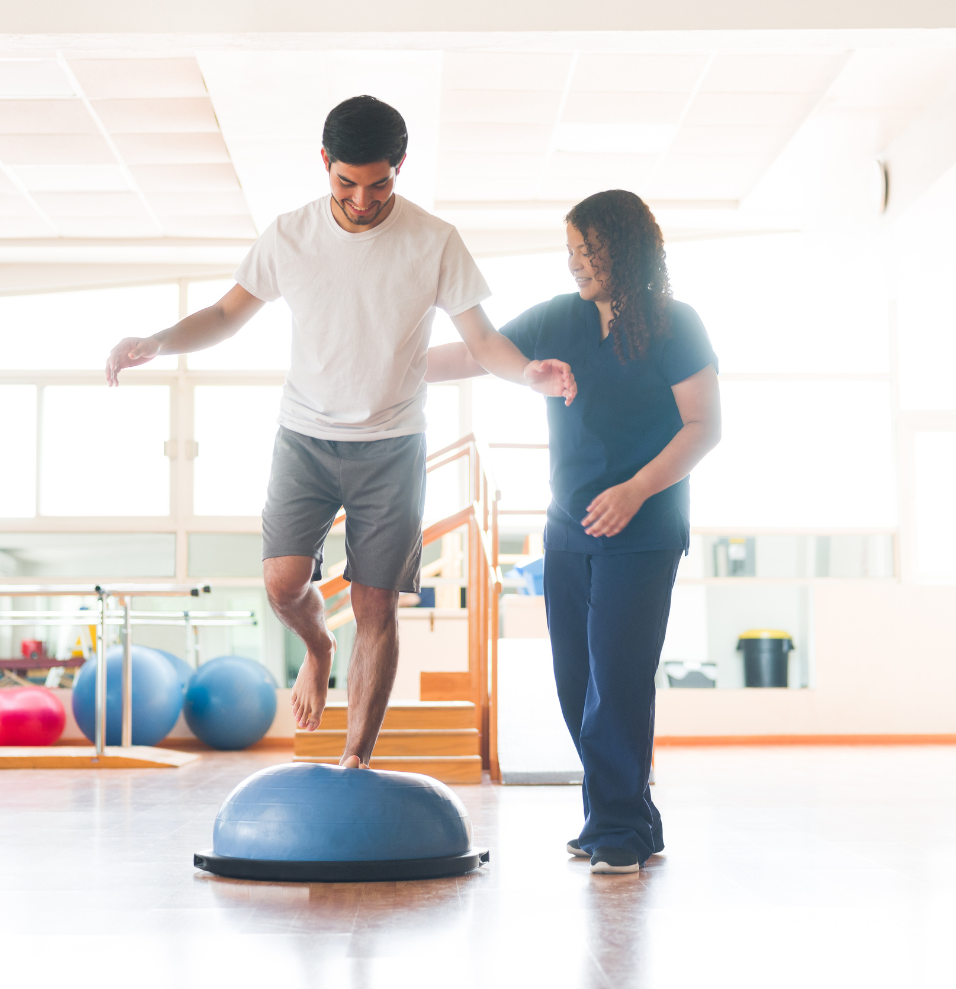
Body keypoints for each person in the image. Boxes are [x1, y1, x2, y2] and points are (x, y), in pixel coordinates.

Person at [106, 95, 576, 769]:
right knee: (281, 584)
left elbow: (483, 339)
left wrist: (527, 373)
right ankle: (319, 647)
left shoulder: (434, 241)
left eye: (379, 183)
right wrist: (156, 340)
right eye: (347, 183)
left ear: (400, 168)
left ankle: (356, 759)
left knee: (376, 603)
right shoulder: (289, 235)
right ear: (324, 163)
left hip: (393, 444)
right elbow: (224, 314)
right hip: (305, 437)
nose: (362, 200)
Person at [426, 189, 720, 872]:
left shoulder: (677, 325)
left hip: (643, 528)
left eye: (589, 251)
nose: (576, 264)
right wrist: (385, 366)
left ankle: (616, 826)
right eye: (571, 251)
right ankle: (628, 817)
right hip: (568, 527)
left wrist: (637, 489)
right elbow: (479, 354)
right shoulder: (562, 317)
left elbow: (706, 426)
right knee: (574, 680)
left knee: (618, 678)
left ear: (628, 250)